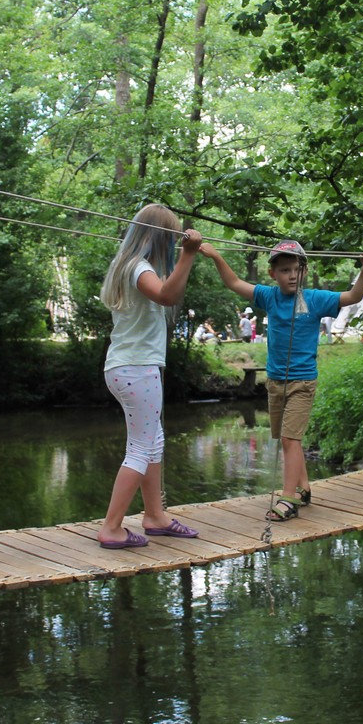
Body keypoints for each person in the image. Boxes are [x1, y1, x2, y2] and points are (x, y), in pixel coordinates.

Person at [200, 239, 363, 521]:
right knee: (286, 440)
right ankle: (303, 488)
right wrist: (215, 256)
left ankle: (288, 499)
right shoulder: (268, 297)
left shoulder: (315, 299)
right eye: (285, 270)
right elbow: (233, 282)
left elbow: (353, 296)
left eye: (297, 269)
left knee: (289, 438)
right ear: (273, 274)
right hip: (275, 382)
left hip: (302, 383)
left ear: (304, 271)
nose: (292, 275)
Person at [96, 203, 204, 549]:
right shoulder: (139, 268)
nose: (174, 246)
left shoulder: (128, 265)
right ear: (159, 239)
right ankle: (111, 528)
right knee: (141, 447)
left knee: (153, 441)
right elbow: (167, 295)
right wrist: (188, 255)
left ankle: (155, 515)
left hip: (129, 367)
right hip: (137, 369)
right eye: (171, 240)